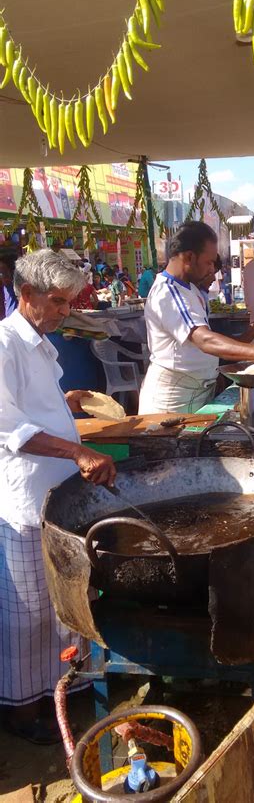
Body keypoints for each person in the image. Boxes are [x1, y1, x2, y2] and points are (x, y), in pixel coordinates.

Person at [0, 250, 116, 742]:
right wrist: (78, 452)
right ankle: (21, 712)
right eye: (58, 301)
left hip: (55, 496)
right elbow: (8, 426)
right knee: (27, 614)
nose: (66, 311)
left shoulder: (39, 341)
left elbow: (35, 405)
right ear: (25, 295)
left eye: (69, 302)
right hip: (24, 502)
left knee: (60, 605)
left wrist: (66, 403)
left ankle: (58, 693)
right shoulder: (5, 345)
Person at [139, 221, 254, 414]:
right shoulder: (168, 293)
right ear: (189, 257)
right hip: (172, 400)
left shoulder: (189, 290)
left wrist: (245, 339)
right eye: (209, 262)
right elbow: (204, 340)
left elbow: (202, 347)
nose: (212, 269)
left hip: (194, 391)